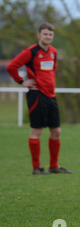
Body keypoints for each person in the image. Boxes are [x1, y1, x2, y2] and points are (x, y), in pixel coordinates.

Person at [7, 23, 71, 175]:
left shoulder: (54, 52)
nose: (48, 37)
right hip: (37, 95)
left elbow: (52, 69)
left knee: (56, 131)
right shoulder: (31, 51)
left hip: (51, 96)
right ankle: (36, 167)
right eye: (45, 34)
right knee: (36, 130)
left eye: (50, 34)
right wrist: (22, 82)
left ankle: (54, 166)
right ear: (39, 35)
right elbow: (12, 66)